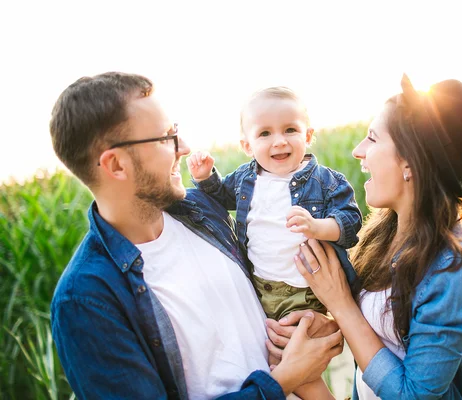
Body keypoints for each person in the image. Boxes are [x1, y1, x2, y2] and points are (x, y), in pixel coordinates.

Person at [48, 72, 343, 400]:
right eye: (165, 137)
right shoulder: (87, 300)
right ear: (116, 164)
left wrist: (307, 322)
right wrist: (283, 380)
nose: (183, 148)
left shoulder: (201, 210)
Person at [268, 74, 462, 399]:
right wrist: (326, 324)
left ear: (410, 162)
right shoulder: (384, 232)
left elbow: (413, 395)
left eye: (372, 139)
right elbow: (381, 333)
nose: (358, 151)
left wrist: (341, 305)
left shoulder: (453, 272)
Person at [186, 86, 362, 321]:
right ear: (248, 146)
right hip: (257, 288)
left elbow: (350, 222)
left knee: (297, 345)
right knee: (268, 351)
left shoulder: (325, 181)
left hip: (305, 291)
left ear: (307, 136)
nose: (279, 141)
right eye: (265, 133)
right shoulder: (245, 179)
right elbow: (218, 198)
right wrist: (204, 177)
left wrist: (316, 227)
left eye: (290, 130)